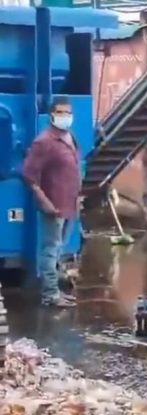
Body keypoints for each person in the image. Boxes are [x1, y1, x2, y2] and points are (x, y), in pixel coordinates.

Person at [22, 97, 81, 307]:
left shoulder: (70, 137)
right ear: (52, 115)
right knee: (49, 250)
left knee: (58, 250)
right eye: (61, 112)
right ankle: (50, 295)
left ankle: (55, 291)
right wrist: (44, 201)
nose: (66, 116)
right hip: (53, 206)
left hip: (70, 205)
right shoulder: (44, 142)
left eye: (68, 112)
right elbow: (29, 175)